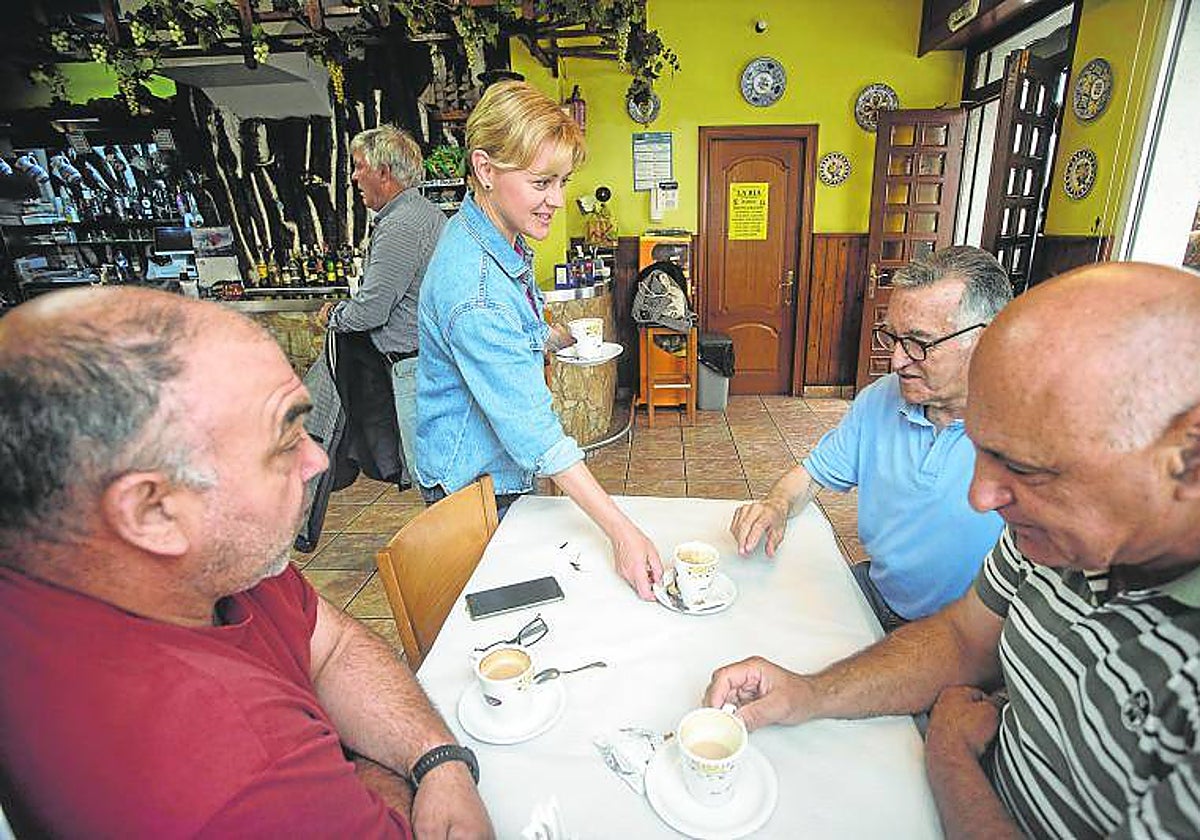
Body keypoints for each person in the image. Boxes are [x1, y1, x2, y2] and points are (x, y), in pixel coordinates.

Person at [705, 262, 1200, 838]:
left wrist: (950, 755)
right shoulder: (1049, 539)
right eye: (984, 449)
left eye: (1025, 466)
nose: (981, 495)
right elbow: (963, 638)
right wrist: (809, 694)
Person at [0, 287, 493, 839]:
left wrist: (435, 758)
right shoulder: (218, 775)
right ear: (153, 511)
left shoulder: (212, 551)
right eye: (284, 440)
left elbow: (330, 647)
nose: (317, 459)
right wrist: (374, 772)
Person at [415, 80, 663, 600]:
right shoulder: (475, 288)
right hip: (473, 492)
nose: (557, 200)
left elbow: (517, 329)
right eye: (541, 182)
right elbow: (535, 434)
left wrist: (556, 336)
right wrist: (622, 531)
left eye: (563, 181)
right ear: (485, 169)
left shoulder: (496, 237)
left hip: (492, 475)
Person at [730, 246, 1012, 629]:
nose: (896, 361)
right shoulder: (881, 399)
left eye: (919, 343)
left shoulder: (1032, 432)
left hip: (970, 636)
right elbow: (812, 475)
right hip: (879, 595)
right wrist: (777, 504)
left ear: (986, 338)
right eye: (892, 338)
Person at [318, 125, 446, 483]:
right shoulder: (425, 213)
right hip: (426, 363)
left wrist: (335, 316)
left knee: (432, 481)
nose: (355, 177)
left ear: (384, 173)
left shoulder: (402, 225)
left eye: (359, 166)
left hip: (414, 368)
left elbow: (371, 310)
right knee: (437, 477)